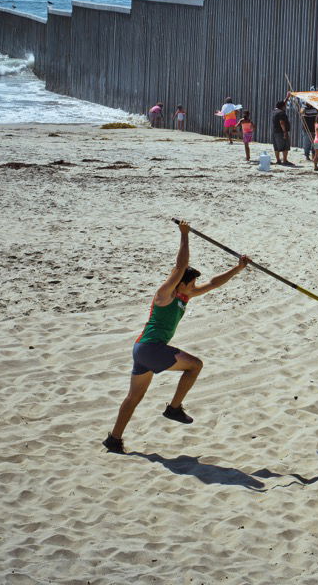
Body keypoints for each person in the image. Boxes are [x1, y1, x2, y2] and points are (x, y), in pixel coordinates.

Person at [103, 220, 250, 453]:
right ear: (180, 283)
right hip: (150, 348)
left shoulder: (184, 296)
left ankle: (114, 439)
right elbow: (180, 266)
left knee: (134, 397)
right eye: (191, 283)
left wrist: (238, 268)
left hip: (143, 350)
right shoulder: (165, 295)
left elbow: (213, 283)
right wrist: (184, 235)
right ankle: (173, 408)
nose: (194, 287)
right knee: (195, 366)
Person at [271, 101, 292, 165]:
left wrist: (287, 98)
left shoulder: (274, 111)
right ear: (282, 106)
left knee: (276, 147)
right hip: (281, 132)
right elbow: (282, 122)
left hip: (274, 131)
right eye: (284, 106)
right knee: (285, 146)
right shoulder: (281, 113)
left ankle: (278, 160)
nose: (285, 107)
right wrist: (285, 132)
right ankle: (285, 160)